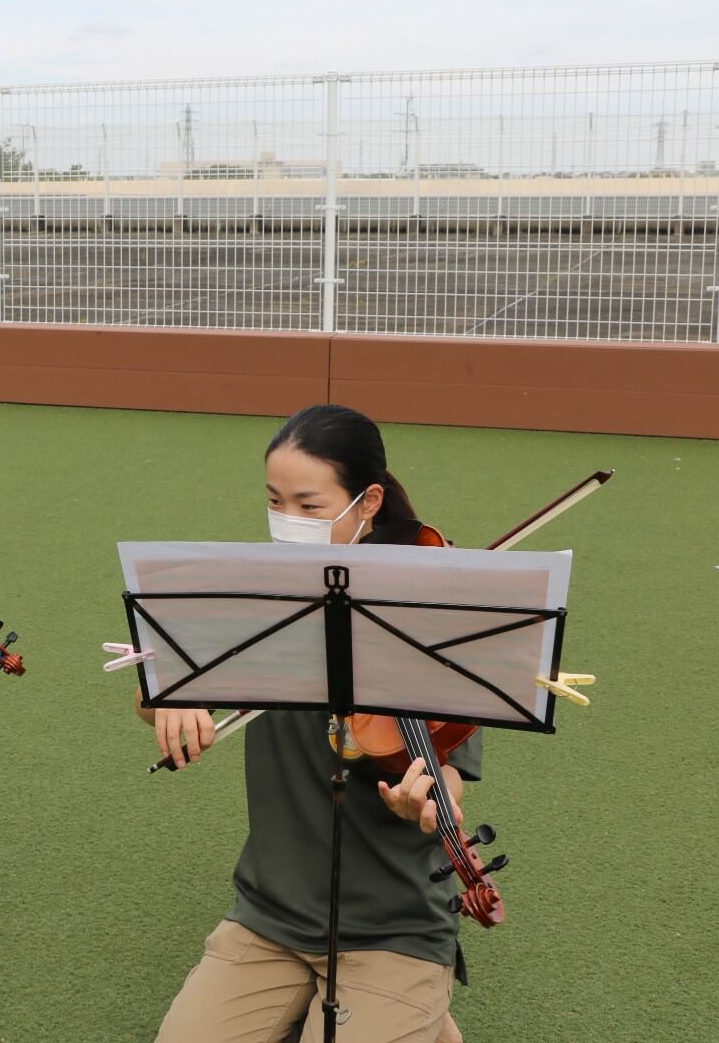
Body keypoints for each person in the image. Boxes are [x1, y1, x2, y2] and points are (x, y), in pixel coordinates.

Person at [144, 403, 475, 1043]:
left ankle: (414, 1012)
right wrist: (169, 696)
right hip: (270, 916)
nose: (288, 522)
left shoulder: (432, 613)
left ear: (368, 501)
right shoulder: (255, 599)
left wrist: (428, 801)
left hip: (393, 924)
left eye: (309, 505)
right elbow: (153, 694)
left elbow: (451, 776)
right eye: (275, 502)